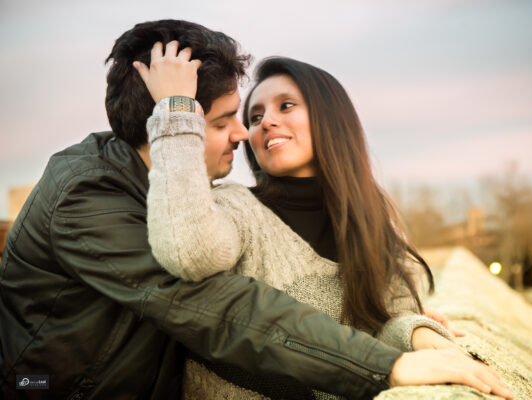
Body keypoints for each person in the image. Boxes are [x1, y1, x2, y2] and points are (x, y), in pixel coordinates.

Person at [0, 19, 450, 400]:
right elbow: (222, 308)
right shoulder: (85, 196)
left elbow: (386, 310)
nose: (244, 134)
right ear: (165, 127)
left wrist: (413, 332)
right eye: (225, 121)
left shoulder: (370, 216)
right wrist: (384, 367)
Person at [138, 39, 513, 399]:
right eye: (256, 116)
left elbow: (384, 320)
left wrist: (417, 334)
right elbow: (186, 252)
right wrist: (176, 109)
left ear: (330, 117)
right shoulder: (236, 208)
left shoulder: (372, 220)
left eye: (286, 106)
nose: (266, 121)